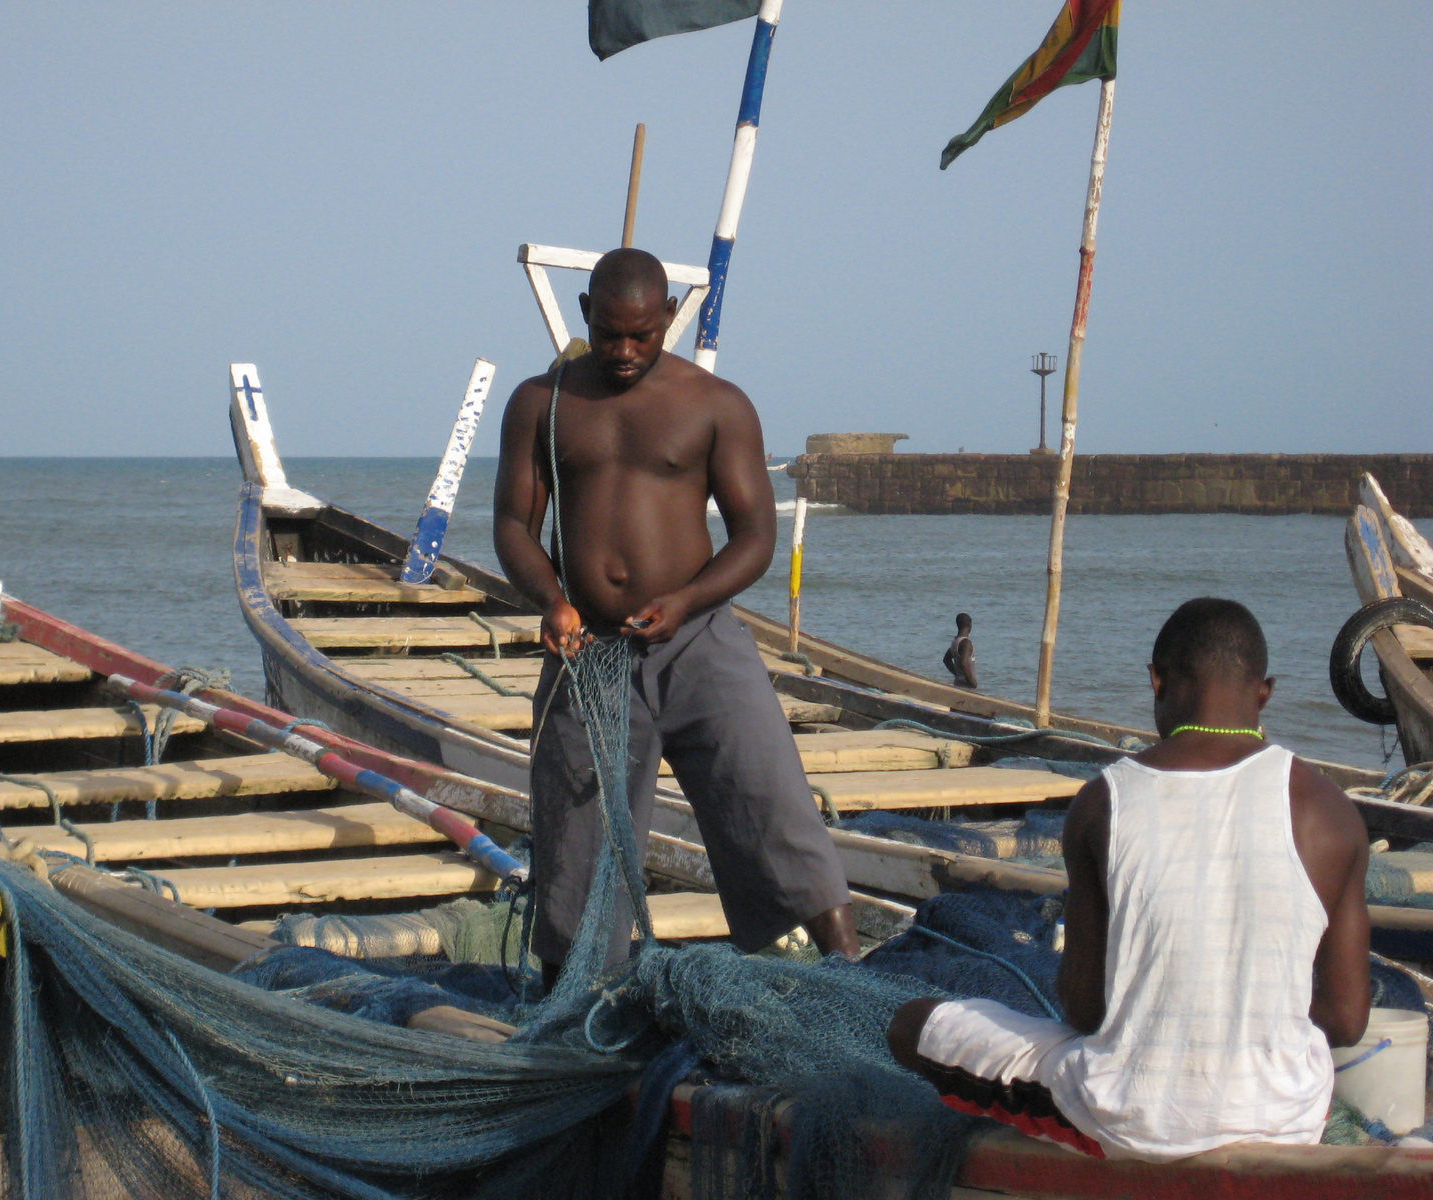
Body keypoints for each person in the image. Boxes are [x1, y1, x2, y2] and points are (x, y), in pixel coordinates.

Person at [887, 597, 1370, 1160]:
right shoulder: (1332, 811)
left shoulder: (1104, 803)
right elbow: (1344, 1018)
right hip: (1285, 1120)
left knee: (911, 1024)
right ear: (1265, 692)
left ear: (1156, 681)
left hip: (1129, 1119)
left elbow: (1086, 1011)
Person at [492, 247, 859, 981]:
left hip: (698, 639)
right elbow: (511, 526)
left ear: (668, 318)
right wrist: (553, 601)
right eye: (610, 334)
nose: (626, 352)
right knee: (576, 839)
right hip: (588, 653)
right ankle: (581, 999)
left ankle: (849, 968)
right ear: (585, 314)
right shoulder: (542, 401)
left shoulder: (716, 405)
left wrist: (687, 600)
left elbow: (754, 536)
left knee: (770, 800)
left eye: (643, 335)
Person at [943, 612, 977, 689]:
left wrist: (957, 674)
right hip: (966, 684)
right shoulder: (966, 643)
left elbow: (946, 660)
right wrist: (972, 682)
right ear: (970, 625)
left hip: (958, 682)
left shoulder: (956, 641)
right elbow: (964, 662)